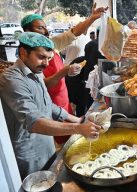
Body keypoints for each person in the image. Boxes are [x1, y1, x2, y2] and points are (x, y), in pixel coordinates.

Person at [0, 32, 102, 179]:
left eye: (49, 58)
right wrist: (78, 129)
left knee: (51, 178)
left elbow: (48, 105)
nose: (46, 64)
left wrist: (77, 120)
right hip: (29, 152)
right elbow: (34, 122)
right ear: (23, 52)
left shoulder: (36, 72)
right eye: (41, 57)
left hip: (47, 143)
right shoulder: (11, 80)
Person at [20, 3, 108, 143]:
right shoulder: (28, 59)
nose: (46, 31)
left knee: (70, 138)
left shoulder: (51, 44)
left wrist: (92, 18)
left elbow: (73, 33)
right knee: (59, 140)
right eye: (40, 28)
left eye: (45, 27)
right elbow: (43, 86)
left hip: (63, 99)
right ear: (27, 31)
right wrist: (64, 72)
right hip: (49, 102)